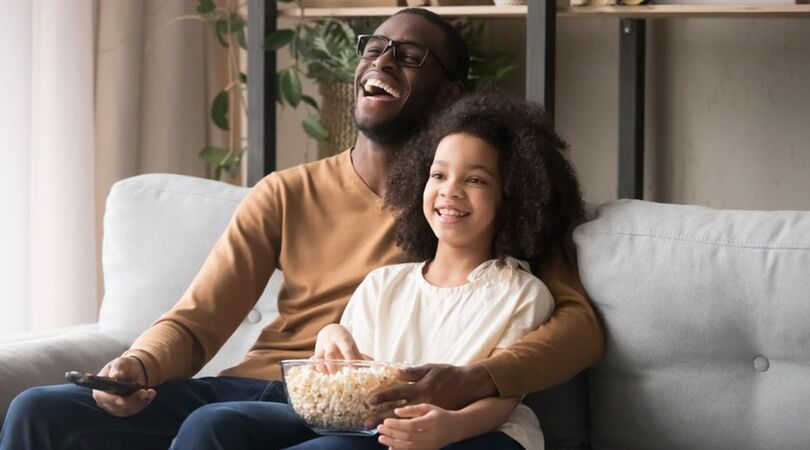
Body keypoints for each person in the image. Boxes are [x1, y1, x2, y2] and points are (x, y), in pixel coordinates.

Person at [0, 8, 604, 450]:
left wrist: (471, 381)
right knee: (38, 410)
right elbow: (195, 321)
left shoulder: (485, 212)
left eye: (410, 55)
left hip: (368, 408)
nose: (382, 60)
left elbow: (576, 328)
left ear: (450, 96)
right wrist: (137, 364)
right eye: (374, 46)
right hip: (256, 390)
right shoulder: (286, 192)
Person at [182, 91, 584, 450]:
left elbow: (502, 397)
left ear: (513, 198)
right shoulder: (384, 283)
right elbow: (356, 373)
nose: (450, 190)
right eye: (438, 175)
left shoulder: (521, 293)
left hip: (472, 433)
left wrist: (449, 427)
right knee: (212, 421)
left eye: (475, 179)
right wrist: (331, 334)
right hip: (367, 424)